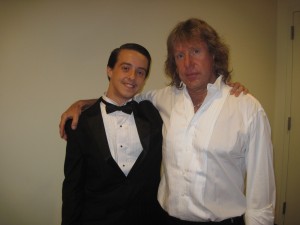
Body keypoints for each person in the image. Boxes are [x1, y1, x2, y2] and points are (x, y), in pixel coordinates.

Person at [60, 18, 275, 225]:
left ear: (214, 55)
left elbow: (261, 192)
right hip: (166, 220)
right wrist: (84, 103)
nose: (188, 63)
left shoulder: (246, 108)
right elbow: (125, 96)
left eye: (196, 51)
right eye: (180, 55)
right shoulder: (164, 99)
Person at [61, 43, 165, 225]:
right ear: (110, 70)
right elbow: (73, 187)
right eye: (126, 68)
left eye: (140, 72)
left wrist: (226, 89)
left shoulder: (154, 112)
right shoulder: (80, 122)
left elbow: (192, 95)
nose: (132, 77)